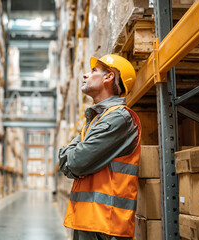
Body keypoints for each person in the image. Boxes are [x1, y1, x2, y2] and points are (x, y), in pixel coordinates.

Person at [59, 54, 141, 240]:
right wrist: (72, 158)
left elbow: (75, 161)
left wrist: (73, 158)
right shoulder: (97, 120)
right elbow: (64, 159)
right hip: (89, 221)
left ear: (108, 77)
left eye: (94, 71)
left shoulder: (119, 118)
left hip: (107, 226)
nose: (85, 75)